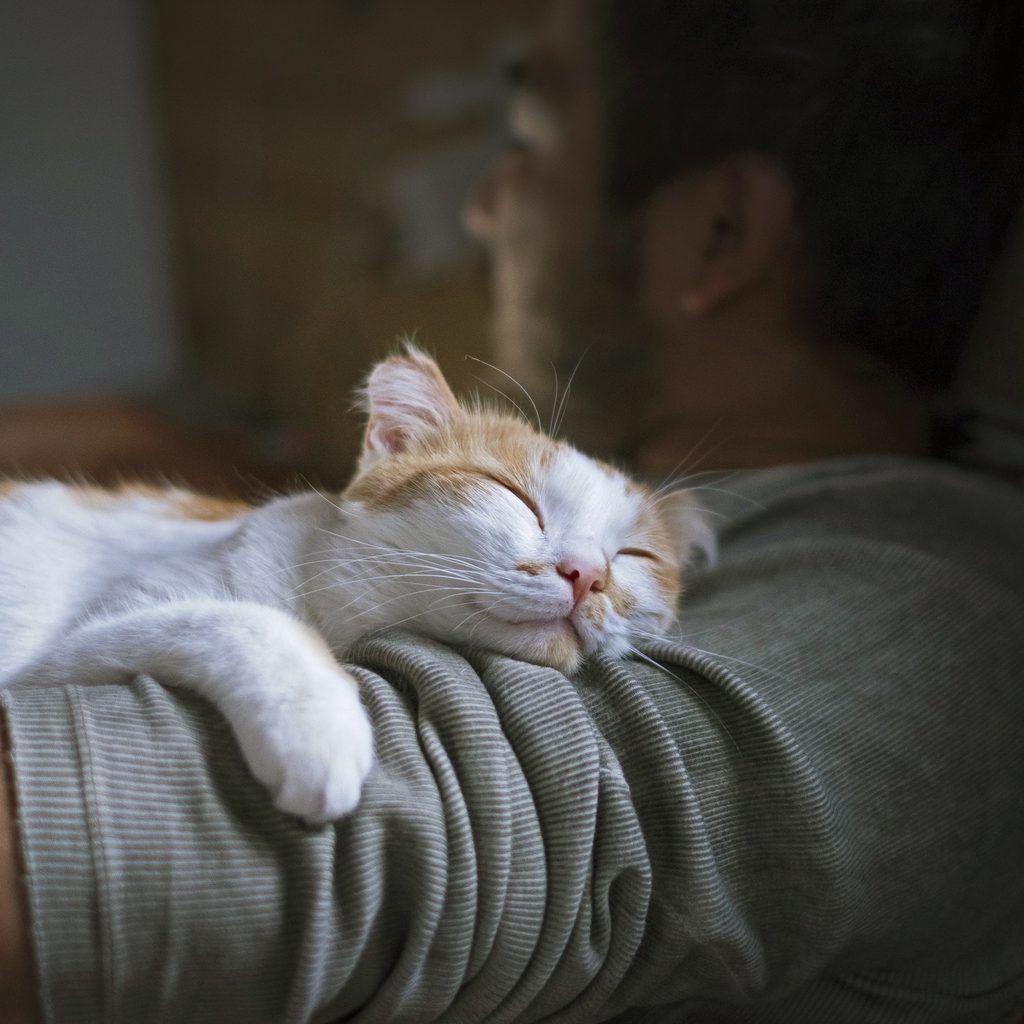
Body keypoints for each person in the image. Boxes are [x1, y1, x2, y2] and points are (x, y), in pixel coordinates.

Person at [2, 1, 1023, 1022]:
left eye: (526, 150)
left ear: (718, 235)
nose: (486, 208)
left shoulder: (925, 616)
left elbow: (348, 852)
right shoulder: (727, 517)